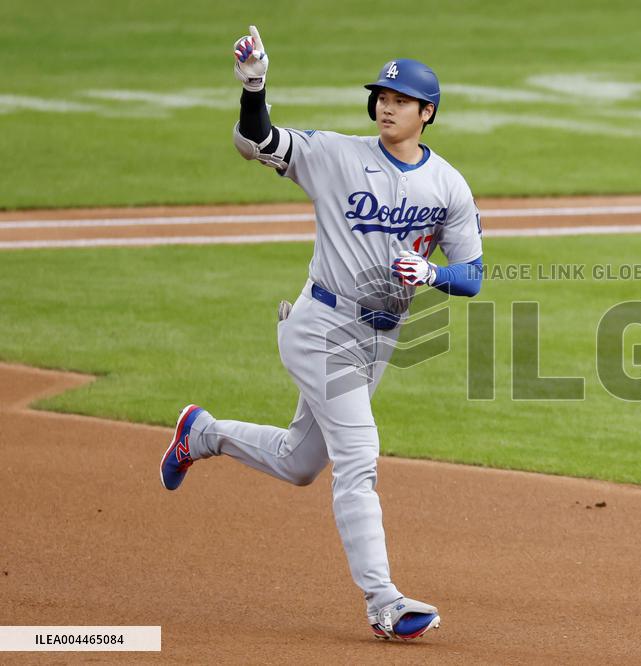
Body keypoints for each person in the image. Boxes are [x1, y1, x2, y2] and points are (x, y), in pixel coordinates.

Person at [158, 25, 484, 642]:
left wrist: (437, 272)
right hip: (320, 326)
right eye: (381, 95)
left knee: (301, 461)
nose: (386, 104)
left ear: (427, 112)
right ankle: (384, 601)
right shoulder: (336, 155)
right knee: (358, 457)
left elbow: (473, 277)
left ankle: (201, 433)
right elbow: (258, 142)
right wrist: (255, 86)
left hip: (380, 340)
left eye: (400, 98)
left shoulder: (449, 186)